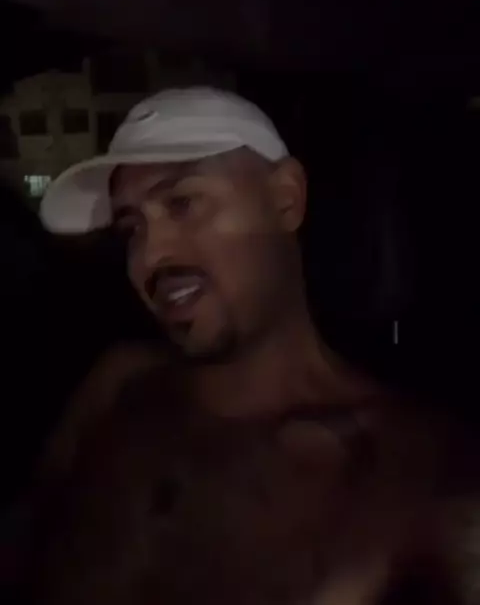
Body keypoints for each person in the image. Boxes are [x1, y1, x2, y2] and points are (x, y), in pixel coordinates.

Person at [21, 88, 477, 604]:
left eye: (182, 203)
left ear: (286, 198)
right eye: (132, 229)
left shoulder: (419, 474)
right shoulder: (120, 387)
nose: (150, 256)